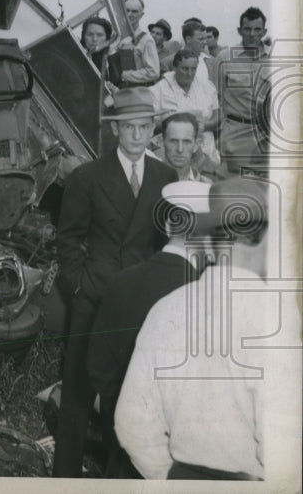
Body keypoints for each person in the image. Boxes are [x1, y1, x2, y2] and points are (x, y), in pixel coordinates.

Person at [51, 87, 178, 477]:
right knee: (77, 391)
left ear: (152, 129)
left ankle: (116, 476)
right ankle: (66, 478)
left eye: (144, 127)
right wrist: (79, 287)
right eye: (129, 128)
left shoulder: (165, 176)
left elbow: (163, 239)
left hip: (139, 303)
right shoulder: (88, 176)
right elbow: (68, 238)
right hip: (95, 296)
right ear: (115, 130)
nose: (137, 136)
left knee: (128, 392)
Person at [115, 177, 269, 480]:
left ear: (209, 245)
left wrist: (169, 477)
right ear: (266, 243)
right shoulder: (277, 318)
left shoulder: (165, 309)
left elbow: (131, 421)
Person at [86, 180, 210, 477]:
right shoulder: (205, 297)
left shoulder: (121, 281)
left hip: (122, 448)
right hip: (181, 462)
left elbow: (97, 368)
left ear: (168, 227)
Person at [213, 7, 271, 174]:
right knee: (235, 189)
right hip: (236, 136)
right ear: (240, 30)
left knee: (265, 189)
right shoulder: (225, 58)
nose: (252, 34)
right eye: (247, 29)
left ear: (264, 31)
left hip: (266, 137)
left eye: (257, 29)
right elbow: (214, 100)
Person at [150, 49, 220, 171]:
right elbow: (150, 127)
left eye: (193, 69)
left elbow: (217, 117)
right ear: (175, 67)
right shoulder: (158, 90)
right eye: (185, 68)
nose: (189, 73)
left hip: (205, 153)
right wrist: (174, 123)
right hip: (172, 156)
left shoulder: (207, 86)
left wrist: (204, 125)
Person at [113, 0, 160, 86]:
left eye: (134, 11)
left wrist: (124, 75)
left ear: (141, 15)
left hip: (135, 94)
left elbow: (154, 72)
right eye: (127, 10)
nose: (130, 14)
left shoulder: (146, 40)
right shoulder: (114, 37)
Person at [159, 112, 212, 181]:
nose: (180, 149)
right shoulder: (144, 183)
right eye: (174, 141)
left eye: (186, 142)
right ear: (162, 143)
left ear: (196, 145)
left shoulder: (206, 186)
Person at [161, 20, 212, 85]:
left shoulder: (211, 61)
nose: (205, 42)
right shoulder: (168, 63)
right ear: (188, 39)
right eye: (201, 39)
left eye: (206, 38)